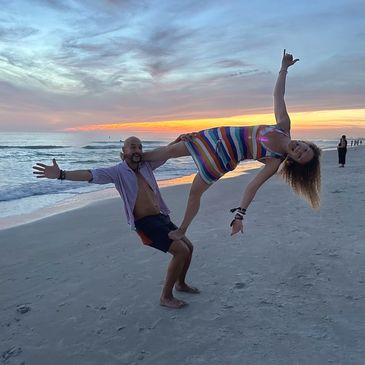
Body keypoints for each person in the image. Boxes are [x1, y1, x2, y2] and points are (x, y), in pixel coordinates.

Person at [143, 50, 321, 240]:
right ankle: (136, 160)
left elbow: (252, 187)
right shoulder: (283, 126)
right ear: (304, 143)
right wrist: (283, 69)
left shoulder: (274, 161)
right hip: (215, 137)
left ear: (293, 161)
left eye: (300, 156)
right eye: (305, 148)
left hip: (220, 160)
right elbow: (278, 96)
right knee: (170, 150)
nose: (300, 150)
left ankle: (182, 230)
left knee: (194, 193)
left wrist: (239, 216)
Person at [32, 136, 199, 309]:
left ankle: (181, 284)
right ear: (124, 152)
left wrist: (179, 140)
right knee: (181, 251)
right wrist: (61, 174)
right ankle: (165, 296)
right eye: (132, 147)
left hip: (161, 217)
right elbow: (89, 174)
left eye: (140, 147)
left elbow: (165, 153)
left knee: (189, 247)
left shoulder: (147, 166)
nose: (137, 150)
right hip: (145, 223)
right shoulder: (117, 172)